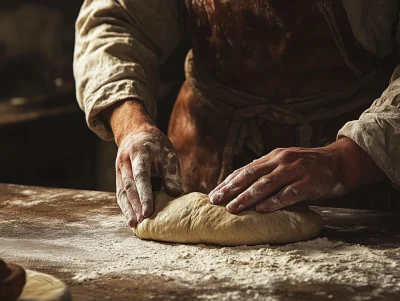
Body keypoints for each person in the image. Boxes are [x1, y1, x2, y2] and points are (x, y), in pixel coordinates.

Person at [74, 1, 400, 227]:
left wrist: (345, 161)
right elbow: (115, 21)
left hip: (359, 170)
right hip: (203, 150)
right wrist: (132, 126)